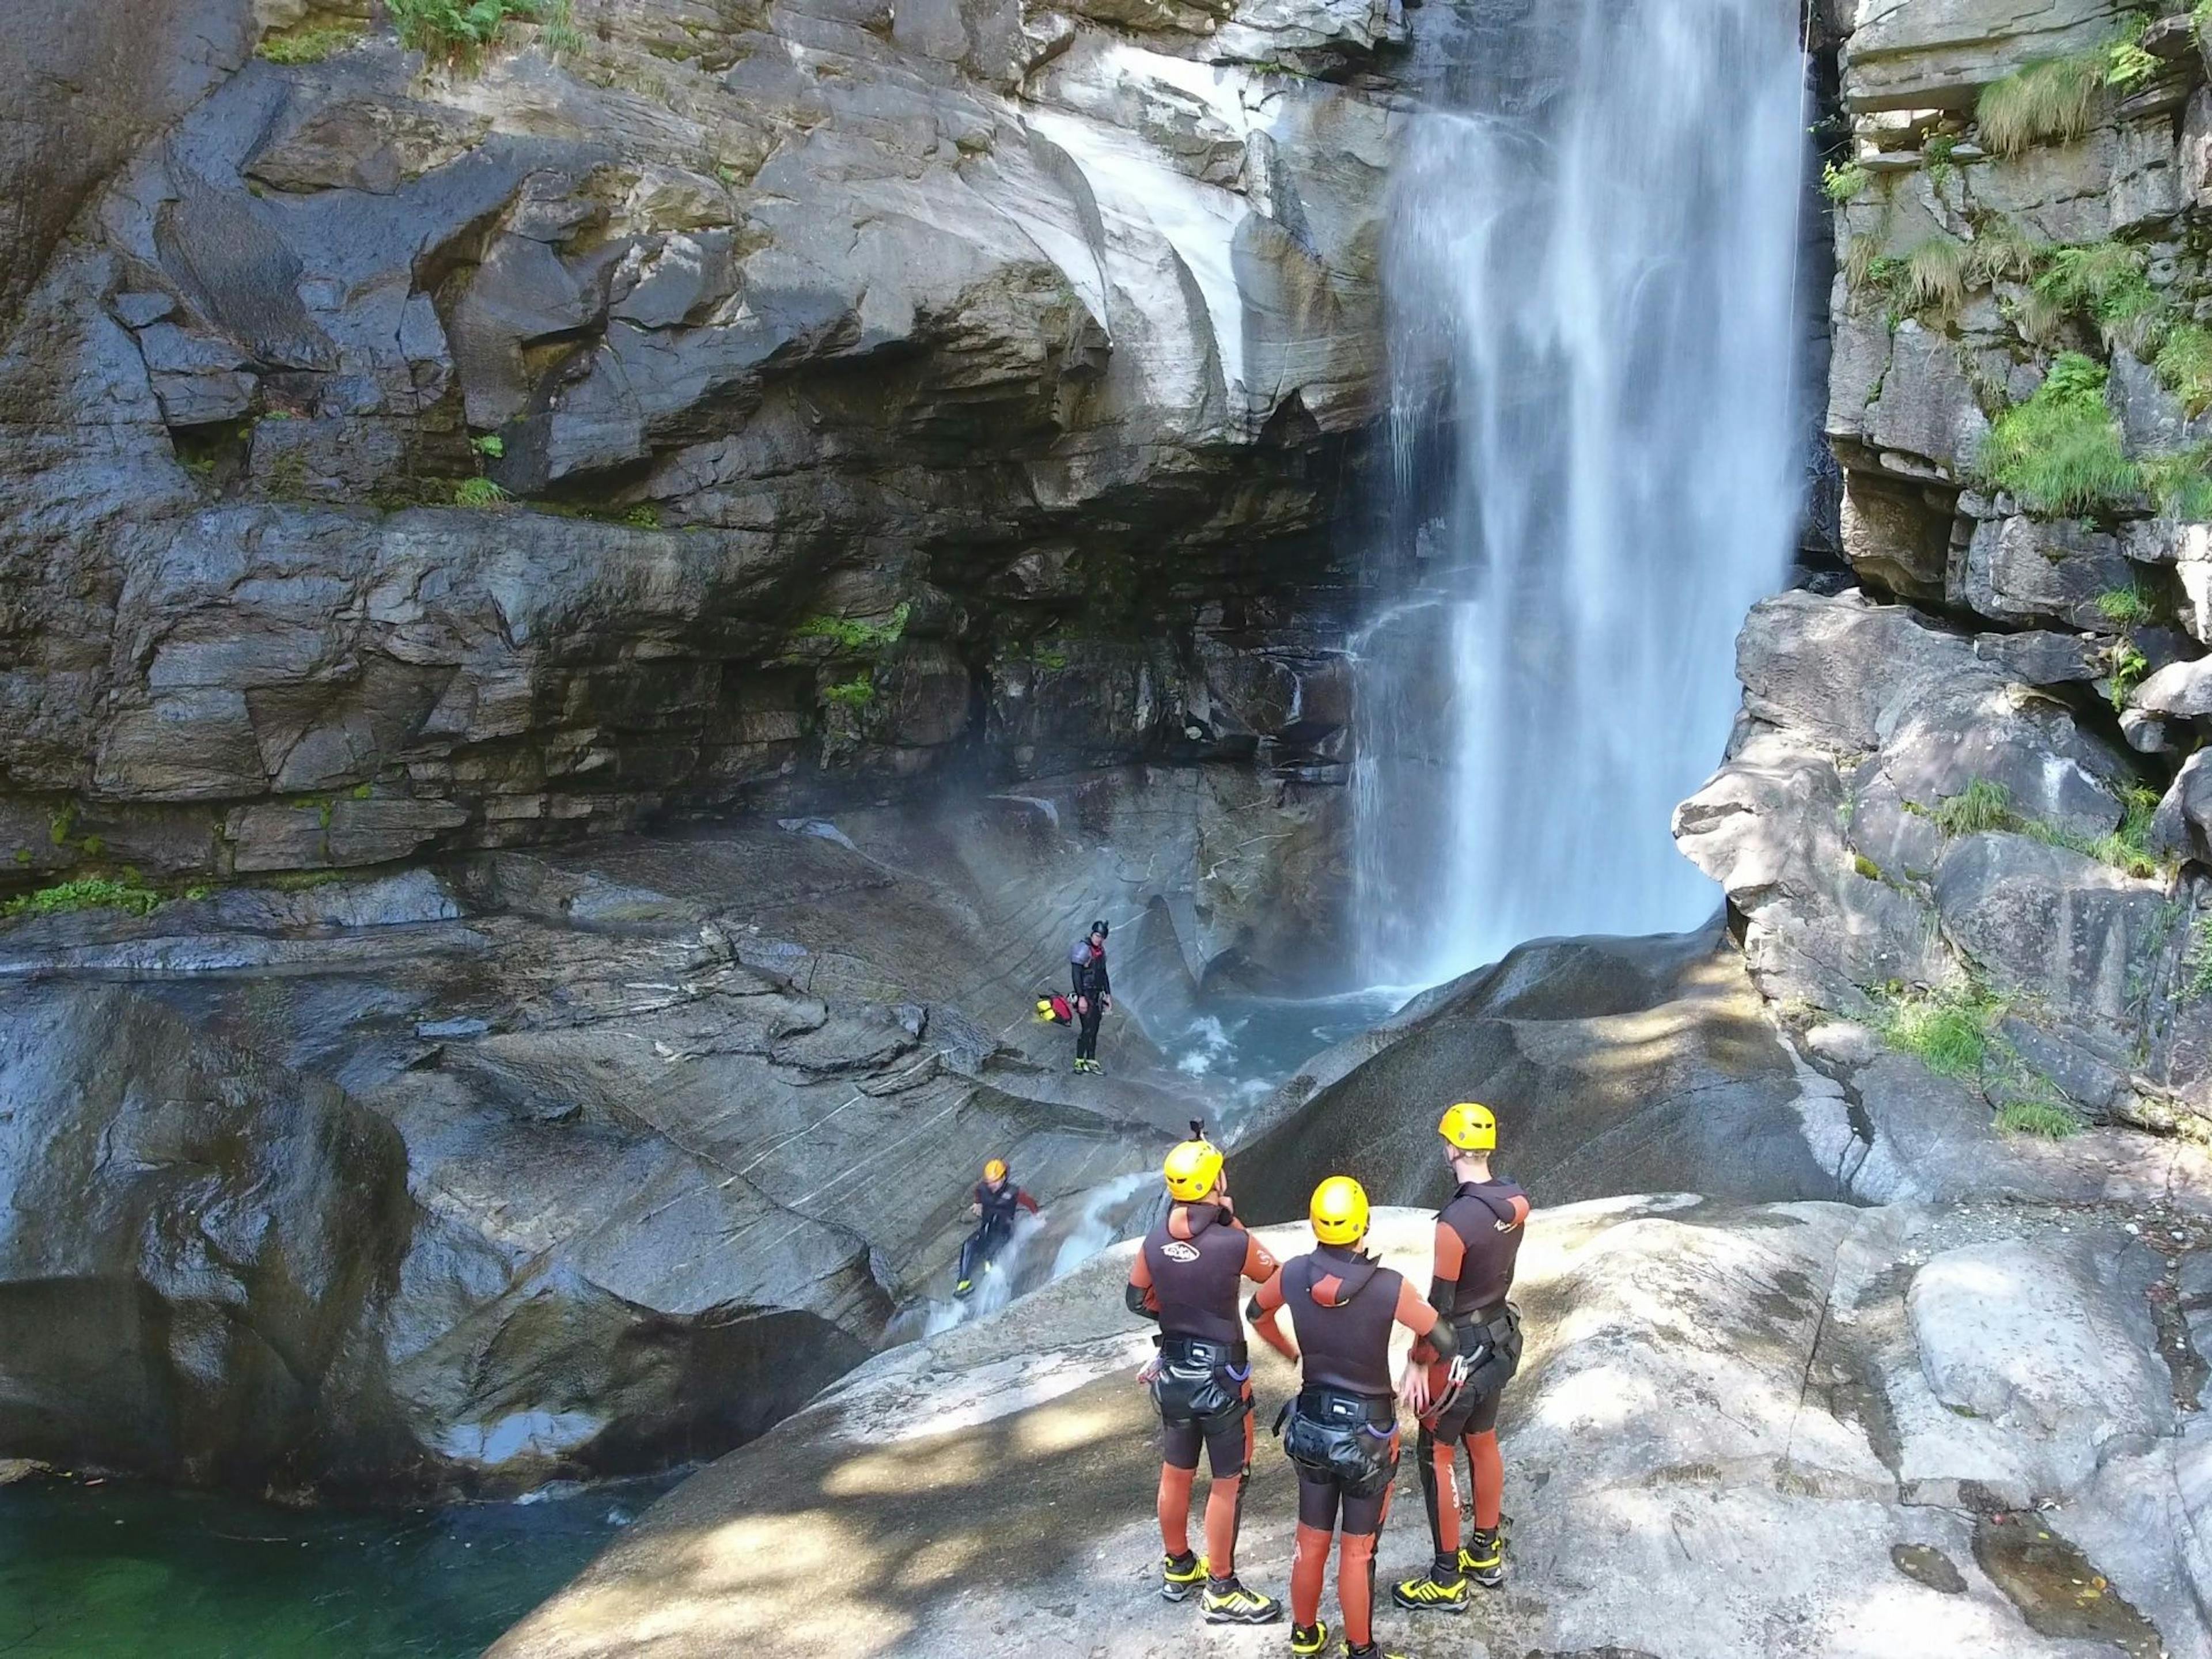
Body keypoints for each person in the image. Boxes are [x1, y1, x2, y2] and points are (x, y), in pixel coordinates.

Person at [1249, 1176, 1458, 1659]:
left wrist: (1290, 1353)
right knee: (1357, 1549)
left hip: (1311, 1426)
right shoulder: (1388, 1287)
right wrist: (1418, 1358)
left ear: (1314, 1224)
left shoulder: (1293, 1274)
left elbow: (1256, 1311)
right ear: (1363, 1224)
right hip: (1368, 1436)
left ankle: (1304, 1636)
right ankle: (1360, 1651)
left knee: (1311, 1537)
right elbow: (1443, 1337)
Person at [1124, 1128, 1282, 1624]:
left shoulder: (1153, 1240)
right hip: (1222, 1375)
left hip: (1173, 1372)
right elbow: (1274, 1275)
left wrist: (1175, 1313)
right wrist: (1233, 1222)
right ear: (1215, 1182)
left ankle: (1178, 1568)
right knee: (1228, 1480)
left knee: (1177, 1470)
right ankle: (1222, 1588)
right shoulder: (1232, 1242)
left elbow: (1136, 1299)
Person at [1391, 1101, 1529, 1612]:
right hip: (1498, 1341)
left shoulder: (1454, 1223)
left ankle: (1446, 1577)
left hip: (1460, 1353)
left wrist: (1418, 1360)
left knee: (1438, 1455)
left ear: (1451, 1148)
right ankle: (1485, 1550)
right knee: (1484, 1440)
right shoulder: (1517, 1201)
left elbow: (1440, 1306)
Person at [955, 1158, 1039, 1296]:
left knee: (996, 1222)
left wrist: (1037, 1215)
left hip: (1004, 1231)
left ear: (1004, 1177)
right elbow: (978, 1193)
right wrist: (978, 1203)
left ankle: (991, 1266)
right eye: (990, 1182)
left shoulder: (1013, 1192)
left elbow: (1030, 1203)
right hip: (987, 1230)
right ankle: (964, 1281)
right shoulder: (983, 1188)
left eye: (995, 1181)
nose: (992, 1185)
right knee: (969, 1244)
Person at [1070, 919, 1111, 1074]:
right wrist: (1080, 997)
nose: (1098, 938)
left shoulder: (1101, 952)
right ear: (1092, 934)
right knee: (1087, 1029)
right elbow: (1076, 974)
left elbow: (1103, 974)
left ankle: (1091, 1060)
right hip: (1086, 994)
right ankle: (1079, 1060)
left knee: (1095, 1028)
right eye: (1096, 935)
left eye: (1101, 936)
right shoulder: (1083, 949)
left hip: (1096, 995)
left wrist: (1108, 994)